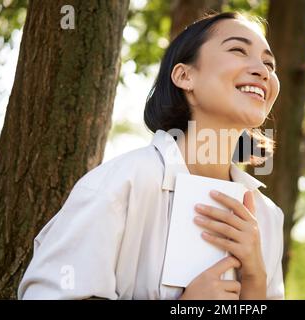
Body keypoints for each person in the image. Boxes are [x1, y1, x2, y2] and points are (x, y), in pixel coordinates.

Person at [18, 11, 284, 300]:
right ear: (185, 76)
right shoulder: (120, 184)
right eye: (238, 50)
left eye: (269, 63)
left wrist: (256, 280)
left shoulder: (266, 216)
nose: (262, 70)